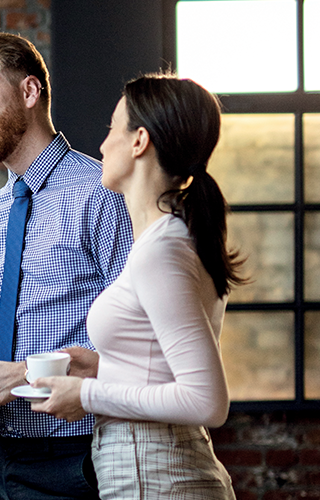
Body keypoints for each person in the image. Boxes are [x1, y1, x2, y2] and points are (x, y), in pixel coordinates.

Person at [31, 74, 243, 499]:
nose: (103, 143)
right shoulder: (165, 240)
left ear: (139, 141)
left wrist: (87, 394)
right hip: (154, 472)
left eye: (113, 129)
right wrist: (100, 367)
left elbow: (206, 401)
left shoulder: (161, 249)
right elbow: (161, 369)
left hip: (158, 476)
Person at [0, 32, 133, 499]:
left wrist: (27, 372)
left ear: (29, 92)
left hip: (77, 455)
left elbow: (137, 340)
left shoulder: (103, 195)